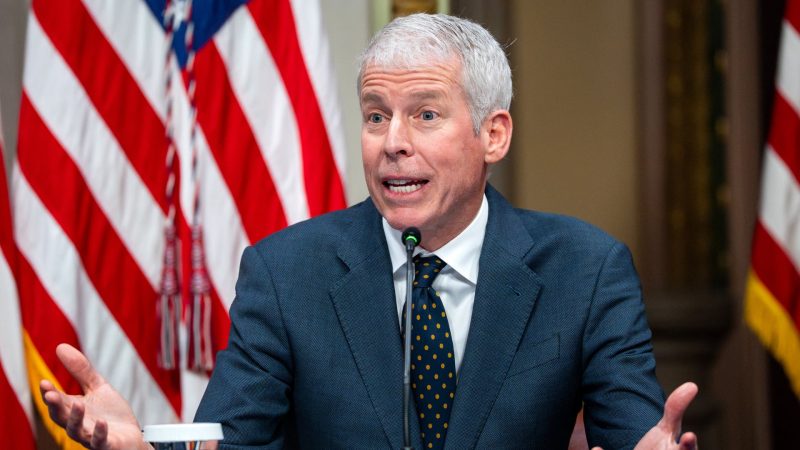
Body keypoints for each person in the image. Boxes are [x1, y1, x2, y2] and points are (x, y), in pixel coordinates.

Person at [40, 13, 699, 450]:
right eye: (377, 116)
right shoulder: (287, 272)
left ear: (493, 135)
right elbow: (233, 442)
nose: (393, 143)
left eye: (425, 115)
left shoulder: (585, 270)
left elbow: (637, 437)